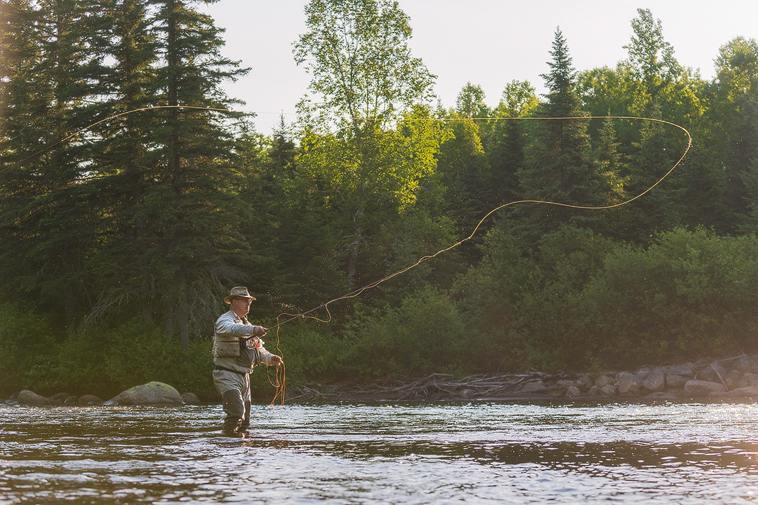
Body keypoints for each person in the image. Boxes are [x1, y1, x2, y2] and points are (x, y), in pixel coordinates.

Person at [212, 286, 283, 437]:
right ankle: (227, 445)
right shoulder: (224, 320)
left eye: (249, 301)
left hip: (244, 378)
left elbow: (259, 350)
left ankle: (240, 447)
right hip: (227, 375)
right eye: (245, 301)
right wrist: (253, 330)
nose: (248, 304)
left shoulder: (248, 326)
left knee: (246, 422)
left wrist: (271, 359)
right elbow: (231, 329)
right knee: (236, 413)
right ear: (234, 302)